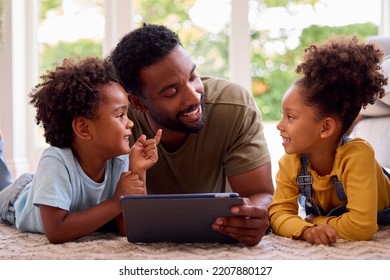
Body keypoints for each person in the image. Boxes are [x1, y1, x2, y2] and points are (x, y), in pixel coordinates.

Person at [109, 24, 274, 246]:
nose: (193, 97)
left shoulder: (234, 107)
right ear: (138, 103)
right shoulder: (119, 123)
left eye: (192, 76)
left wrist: (255, 215)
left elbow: (261, 193)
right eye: (171, 92)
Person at [0, 57, 161, 244]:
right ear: (84, 128)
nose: (130, 122)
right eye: (120, 115)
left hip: (44, 183)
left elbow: (130, 228)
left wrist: (138, 171)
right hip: (17, 198)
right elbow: (57, 232)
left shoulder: (121, 160)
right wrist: (116, 202)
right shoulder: (55, 160)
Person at [269, 36, 390, 245]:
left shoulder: (357, 155)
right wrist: (305, 230)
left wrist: (318, 220)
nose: (280, 125)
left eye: (290, 117)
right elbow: (278, 214)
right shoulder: (291, 162)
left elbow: (362, 227)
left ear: (325, 127)